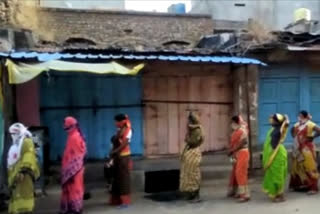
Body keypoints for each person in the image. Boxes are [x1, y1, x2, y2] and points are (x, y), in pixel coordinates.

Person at [7, 123, 40, 214]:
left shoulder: (26, 141)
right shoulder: (18, 143)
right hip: (17, 176)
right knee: (18, 195)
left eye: (13, 134)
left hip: (24, 175)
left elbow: (28, 156)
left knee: (24, 196)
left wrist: (23, 170)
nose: (12, 136)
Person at [60, 117, 86, 214]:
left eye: (67, 127)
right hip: (73, 170)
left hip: (74, 171)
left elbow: (77, 156)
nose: (66, 129)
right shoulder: (72, 136)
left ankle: (75, 209)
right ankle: (70, 208)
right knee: (70, 189)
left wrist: (70, 171)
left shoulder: (75, 137)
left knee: (74, 189)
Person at [289, 111, 320, 194]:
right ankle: (299, 185)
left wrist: (312, 137)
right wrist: (295, 137)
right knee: (297, 166)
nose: (299, 117)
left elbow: (319, 130)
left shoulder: (310, 124)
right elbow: (291, 130)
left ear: (304, 116)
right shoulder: (297, 124)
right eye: (298, 115)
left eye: (300, 115)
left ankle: (313, 187)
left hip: (307, 149)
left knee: (309, 166)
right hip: (297, 148)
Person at [262, 114, 289, 202]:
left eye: (272, 119)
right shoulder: (273, 130)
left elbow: (285, 127)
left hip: (277, 155)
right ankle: (276, 193)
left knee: (278, 175)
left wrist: (286, 120)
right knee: (272, 174)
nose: (270, 121)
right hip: (273, 153)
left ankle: (280, 195)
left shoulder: (278, 130)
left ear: (277, 121)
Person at [180, 112, 204, 203]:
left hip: (193, 153)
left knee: (193, 174)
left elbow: (193, 142)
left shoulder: (197, 130)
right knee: (188, 174)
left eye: (188, 120)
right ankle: (190, 194)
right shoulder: (193, 129)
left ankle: (195, 196)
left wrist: (187, 139)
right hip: (190, 153)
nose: (187, 122)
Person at [109, 114, 132, 208]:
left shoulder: (128, 130)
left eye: (117, 121)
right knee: (116, 178)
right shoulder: (120, 130)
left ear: (121, 121)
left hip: (124, 158)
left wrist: (114, 152)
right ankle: (116, 200)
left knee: (123, 179)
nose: (115, 123)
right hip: (117, 157)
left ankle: (125, 202)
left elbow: (124, 145)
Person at [227, 115, 250, 202]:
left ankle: (244, 195)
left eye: (233, 122)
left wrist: (232, 150)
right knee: (236, 172)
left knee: (240, 173)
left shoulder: (242, 131)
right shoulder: (236, 131)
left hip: (242, 153)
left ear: (236, 123)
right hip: (235, 155)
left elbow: (243, 142)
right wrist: (231, 152)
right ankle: (239, 192)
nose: (231, 124)